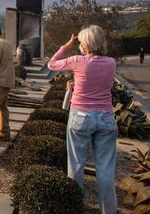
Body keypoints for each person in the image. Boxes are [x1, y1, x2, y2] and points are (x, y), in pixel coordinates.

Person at [47, 25, 118, 214]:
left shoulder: (78, 61)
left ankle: (73, 207)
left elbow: (52, 64)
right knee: (105, 168)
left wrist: (68, 45)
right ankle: (109, 210)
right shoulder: (111, 63)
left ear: (84, 43)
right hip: (105, 117)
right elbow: (102, 85)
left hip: (81, 116)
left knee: (76, 165)